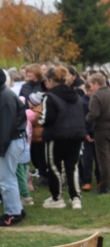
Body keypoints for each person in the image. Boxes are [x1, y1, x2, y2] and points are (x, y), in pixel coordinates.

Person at [40, 66, 86, 210]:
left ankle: (57, 198)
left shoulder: (50, 96)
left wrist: (38, 119)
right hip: (76, 135)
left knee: (54, 167)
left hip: (57, 136)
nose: (45, 83)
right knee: (72, 167)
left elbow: (47, 119)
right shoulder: (76, 95)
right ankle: (76, 199)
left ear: (52, 81)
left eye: (46, 80)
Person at [85, 73, 110, 194]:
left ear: (96, 83)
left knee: (103, 159)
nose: (91, 88)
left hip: (102, 130)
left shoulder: (96, 96)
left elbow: (93, 114)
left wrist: (85, 122)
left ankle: (105, 186)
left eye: (91, 85)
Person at [0, 68, 28, 226]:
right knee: (9, 177)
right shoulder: (5, 93)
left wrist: (1, 148)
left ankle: (12, 213)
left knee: (6, 179)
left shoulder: (5, 97)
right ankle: (18, 209)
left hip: (10, 141)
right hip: (13, 140)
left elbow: (6, 126)